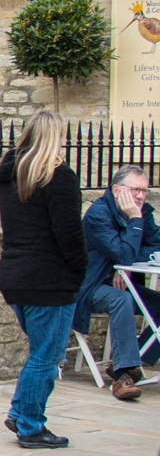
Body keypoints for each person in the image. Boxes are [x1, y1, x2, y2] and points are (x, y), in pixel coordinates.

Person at [0, 110, 88, 447]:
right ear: (56, 137)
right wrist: (79, 271)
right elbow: (69, 233)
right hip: (49, 278)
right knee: (46, 357)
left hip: (14, 275)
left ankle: (20, 413)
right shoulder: (57, 176)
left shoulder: (10, 174)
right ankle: (31, 427)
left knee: (39, 353)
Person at [74, 163, 160, 401]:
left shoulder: (143, 212)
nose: (140, 196)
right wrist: (134, 221)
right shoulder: (98, 215)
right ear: (116, 189)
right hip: (90, 287)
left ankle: (134, 358)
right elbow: (122, 253)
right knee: (121, 299)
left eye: (144, 190)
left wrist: (125, 267)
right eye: (135, 190)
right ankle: (122, 377)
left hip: (121, 283)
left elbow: (155, 245)